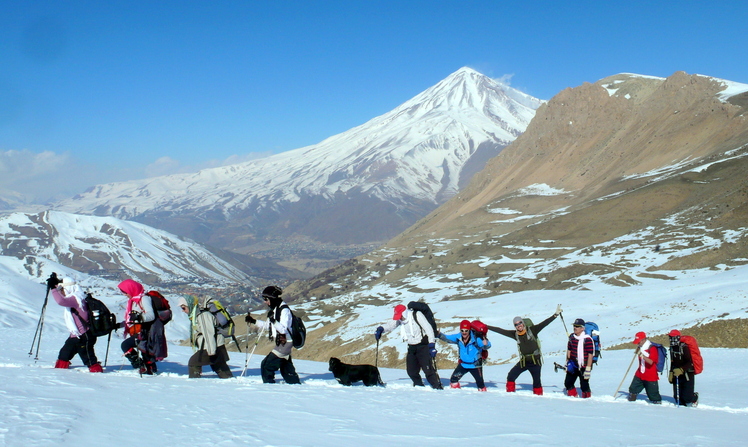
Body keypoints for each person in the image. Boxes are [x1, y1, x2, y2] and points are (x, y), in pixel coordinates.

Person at [486, 305, 562, 395]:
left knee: (537, 382)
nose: (519, 326)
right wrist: (486, 326)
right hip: (524, 361)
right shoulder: (515, 334)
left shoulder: (533, 330)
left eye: (520, 323)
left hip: (535, 361)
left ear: (523, 323)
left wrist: (555, 315)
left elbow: (544, 323)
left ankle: (539, 398)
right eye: (516, 324)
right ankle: (509, 395)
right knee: (511, 376)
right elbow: (500, 330)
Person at [375, 303, 443, 389]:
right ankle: (419, 386)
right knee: (411, 371)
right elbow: (391, 325)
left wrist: (431, 345)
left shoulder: (417, 315)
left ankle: (437, 386)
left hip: (423, 346)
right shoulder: (400, 319)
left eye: (400, 315)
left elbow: (428, 329)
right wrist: (381, 329)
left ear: (404, 313)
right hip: (411, 347)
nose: (399, 318)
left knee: (428, 369)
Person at [245, 286, 301, 384]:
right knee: (286, 367)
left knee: (266, 365)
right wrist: (254, 321)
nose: (265, 302)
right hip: (282, 342)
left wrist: (273, 320)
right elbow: (268, 326)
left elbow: (283, 330)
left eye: (266, 299)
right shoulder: (276, 308)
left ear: (272, 298)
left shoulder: (284, 310)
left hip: (285, 343)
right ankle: (295, 384)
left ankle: (269, 387)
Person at [48, 276, 103, 373]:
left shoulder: (75, 298)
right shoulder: (79, 296)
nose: (61, 291)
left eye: (62, 289)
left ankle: (97, 373)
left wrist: (53, 288)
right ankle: (59, 371)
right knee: (64, 355)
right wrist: (55, 284)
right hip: (77, 335)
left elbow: (60, 301)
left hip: (82, 336)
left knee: (89, 358)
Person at [181, 296, 233, 379]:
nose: (183, 310)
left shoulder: (203, 316)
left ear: (190, 306)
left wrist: (211, 351)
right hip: (216, 345)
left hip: (211, 346)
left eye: (183, 308)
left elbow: (209, 334)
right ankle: (230, 380)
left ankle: (195, 383)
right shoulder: (198, 315)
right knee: (219, 366)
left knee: (193, 363)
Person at [118, 279, 158, 375]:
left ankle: (142, 366)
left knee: (126, 345)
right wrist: (119, 325)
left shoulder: (144, 299)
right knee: (144, 350)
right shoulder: (133, 300)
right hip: (138, 330)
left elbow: (151, 315)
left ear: (131, 289)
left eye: (125, 292)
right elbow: (131, 319)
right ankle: (147, 367)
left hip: (145, 331)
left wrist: (139, 318)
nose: (125, 294)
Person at [438, 320, 491, 391]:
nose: (464, 332)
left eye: (466, 330)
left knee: (480, 385)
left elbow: (486, 345)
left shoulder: (476, 338)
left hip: (475, 365)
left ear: (469, 330)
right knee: (454, 380)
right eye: (462, 330)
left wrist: (486, 343)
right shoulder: (458, 337)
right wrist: (439, 334)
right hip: (463, 364)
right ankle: (457, 396)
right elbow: (447, 338)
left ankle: (483, 398)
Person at [627, 331, 662, 404]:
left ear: (643, 340)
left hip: (650, 375)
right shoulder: (640, 347)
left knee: (653, 395)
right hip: (640, 373)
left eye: (638, 341)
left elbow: (651, 362)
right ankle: (631, 400)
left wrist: (642, 355)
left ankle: (657, 406)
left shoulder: (652, 348)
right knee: (633, 389)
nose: (637, 343)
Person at [669, 329, 699, 407]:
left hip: (687, 373)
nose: (670, 339)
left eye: (672, 337)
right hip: (677, 373)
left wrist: (681, 369)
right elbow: (673, 361)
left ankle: (694, 397)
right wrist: (671, 372)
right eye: (670, 337)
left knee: (687, 399)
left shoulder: (684, 347)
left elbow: (690, 362)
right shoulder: (672, 348)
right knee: (678, 398)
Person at [564, 318, 594, 398]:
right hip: (573, 364)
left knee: (584, 385)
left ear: (582, 328)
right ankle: (573, 397)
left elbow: (590, 354)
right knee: (568, 383)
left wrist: (588, 368)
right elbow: (569, 350)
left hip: (584, 365)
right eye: (574, 326)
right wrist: (567, 363)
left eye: (577, 326)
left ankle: (587, 399)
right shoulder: (572, 337)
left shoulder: (587, 339)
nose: (575, 328)